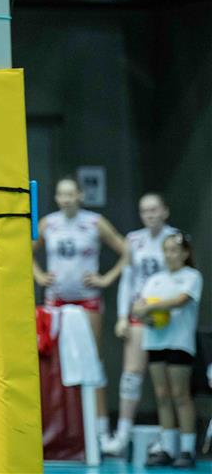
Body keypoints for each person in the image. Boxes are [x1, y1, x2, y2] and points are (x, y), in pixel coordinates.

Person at [32, 175, 130, 447]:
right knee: (52, 362)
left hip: (87, 300)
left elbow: (127, 251)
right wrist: (39, 276)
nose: (66, 199)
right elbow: (24, 251)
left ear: (80, 196)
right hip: (55, 301)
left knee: (93, 361)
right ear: (56, 197)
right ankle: (57, 429)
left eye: (71, 194)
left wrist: (106, 278)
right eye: (61, 194)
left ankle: (100, 431)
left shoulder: (95, 223)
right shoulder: (48, 223)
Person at [102, 192, 181, 456]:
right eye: (145, 210)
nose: (150, 215)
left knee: (168, 381)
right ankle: (122, 435)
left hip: (168, 317)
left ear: (165, 211)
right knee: (131, 374)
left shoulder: (177, 239)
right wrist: (122, 316)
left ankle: (169, 438)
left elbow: (184, 276)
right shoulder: (133, 240)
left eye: (154, 209)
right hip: (139, 314)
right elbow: (127, 279)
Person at [134, 233, 201, 468]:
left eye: (175, 250)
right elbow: (139, 307)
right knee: (162, 395)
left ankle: (187, 448)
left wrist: (151, 308)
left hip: (179, 343)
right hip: (155, 342)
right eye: (166, 250)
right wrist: (144, 314)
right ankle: (168, 448)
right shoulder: (155, 280)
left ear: (185, 253)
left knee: (180, 394)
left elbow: (180, 301)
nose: (170, 255)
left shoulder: (192, 277)